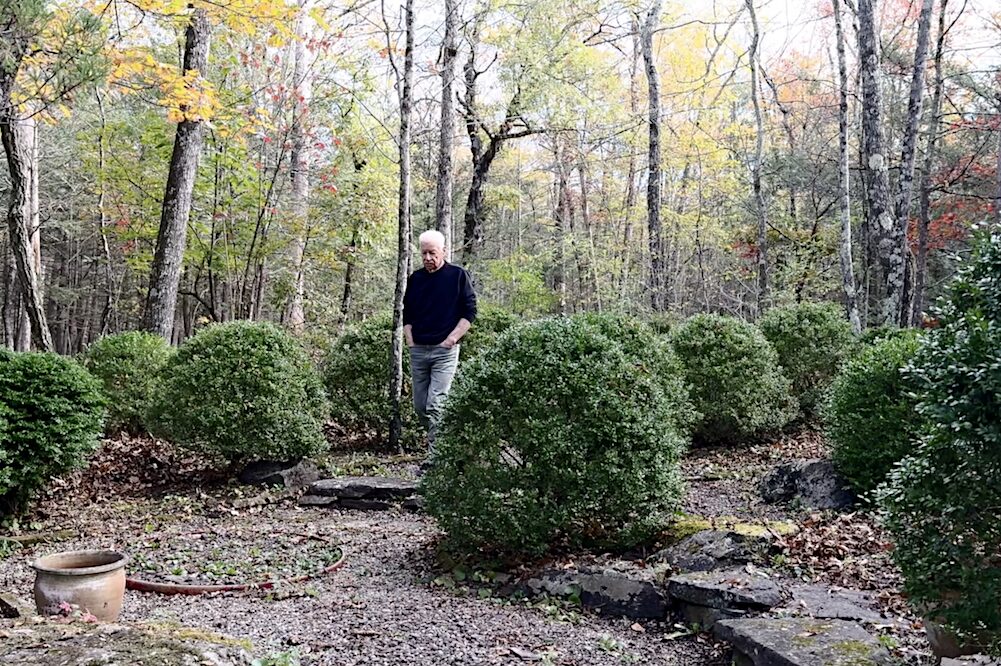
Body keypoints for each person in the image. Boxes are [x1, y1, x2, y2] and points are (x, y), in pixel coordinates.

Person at [403, 229, 477, 462]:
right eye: (424, 253)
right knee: (420, 407)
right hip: (419, 350)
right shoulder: (415, 279)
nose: (427, 258)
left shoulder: (458, 276)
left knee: (436, 404)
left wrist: (452, 339)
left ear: (443, 251)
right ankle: (450, 440)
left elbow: (470, 312)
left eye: (432, 253)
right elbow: (407, 313)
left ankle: (436, 460)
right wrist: (410, 340)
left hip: (444, 351)